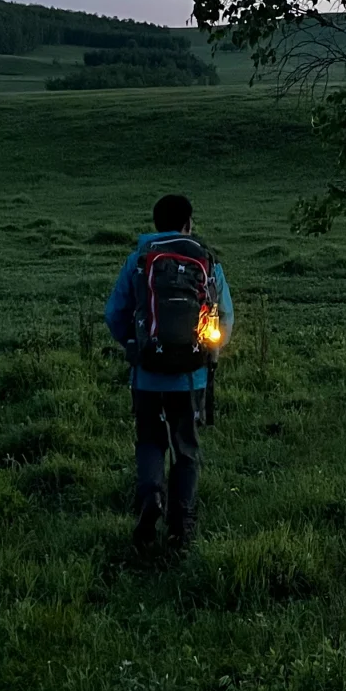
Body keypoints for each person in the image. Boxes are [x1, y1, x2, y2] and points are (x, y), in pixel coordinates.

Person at [104, 193, 233, 550]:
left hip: (147, 372)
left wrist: (134, 344)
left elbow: (114, 314)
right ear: (188, 223)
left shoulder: (139, 261)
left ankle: (150, 500)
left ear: (156, 223)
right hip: (192, 374)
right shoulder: (207, 262)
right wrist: (211, 352)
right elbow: (225, 318)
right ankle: (182, 525)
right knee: (186, 447)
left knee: (149, 440)